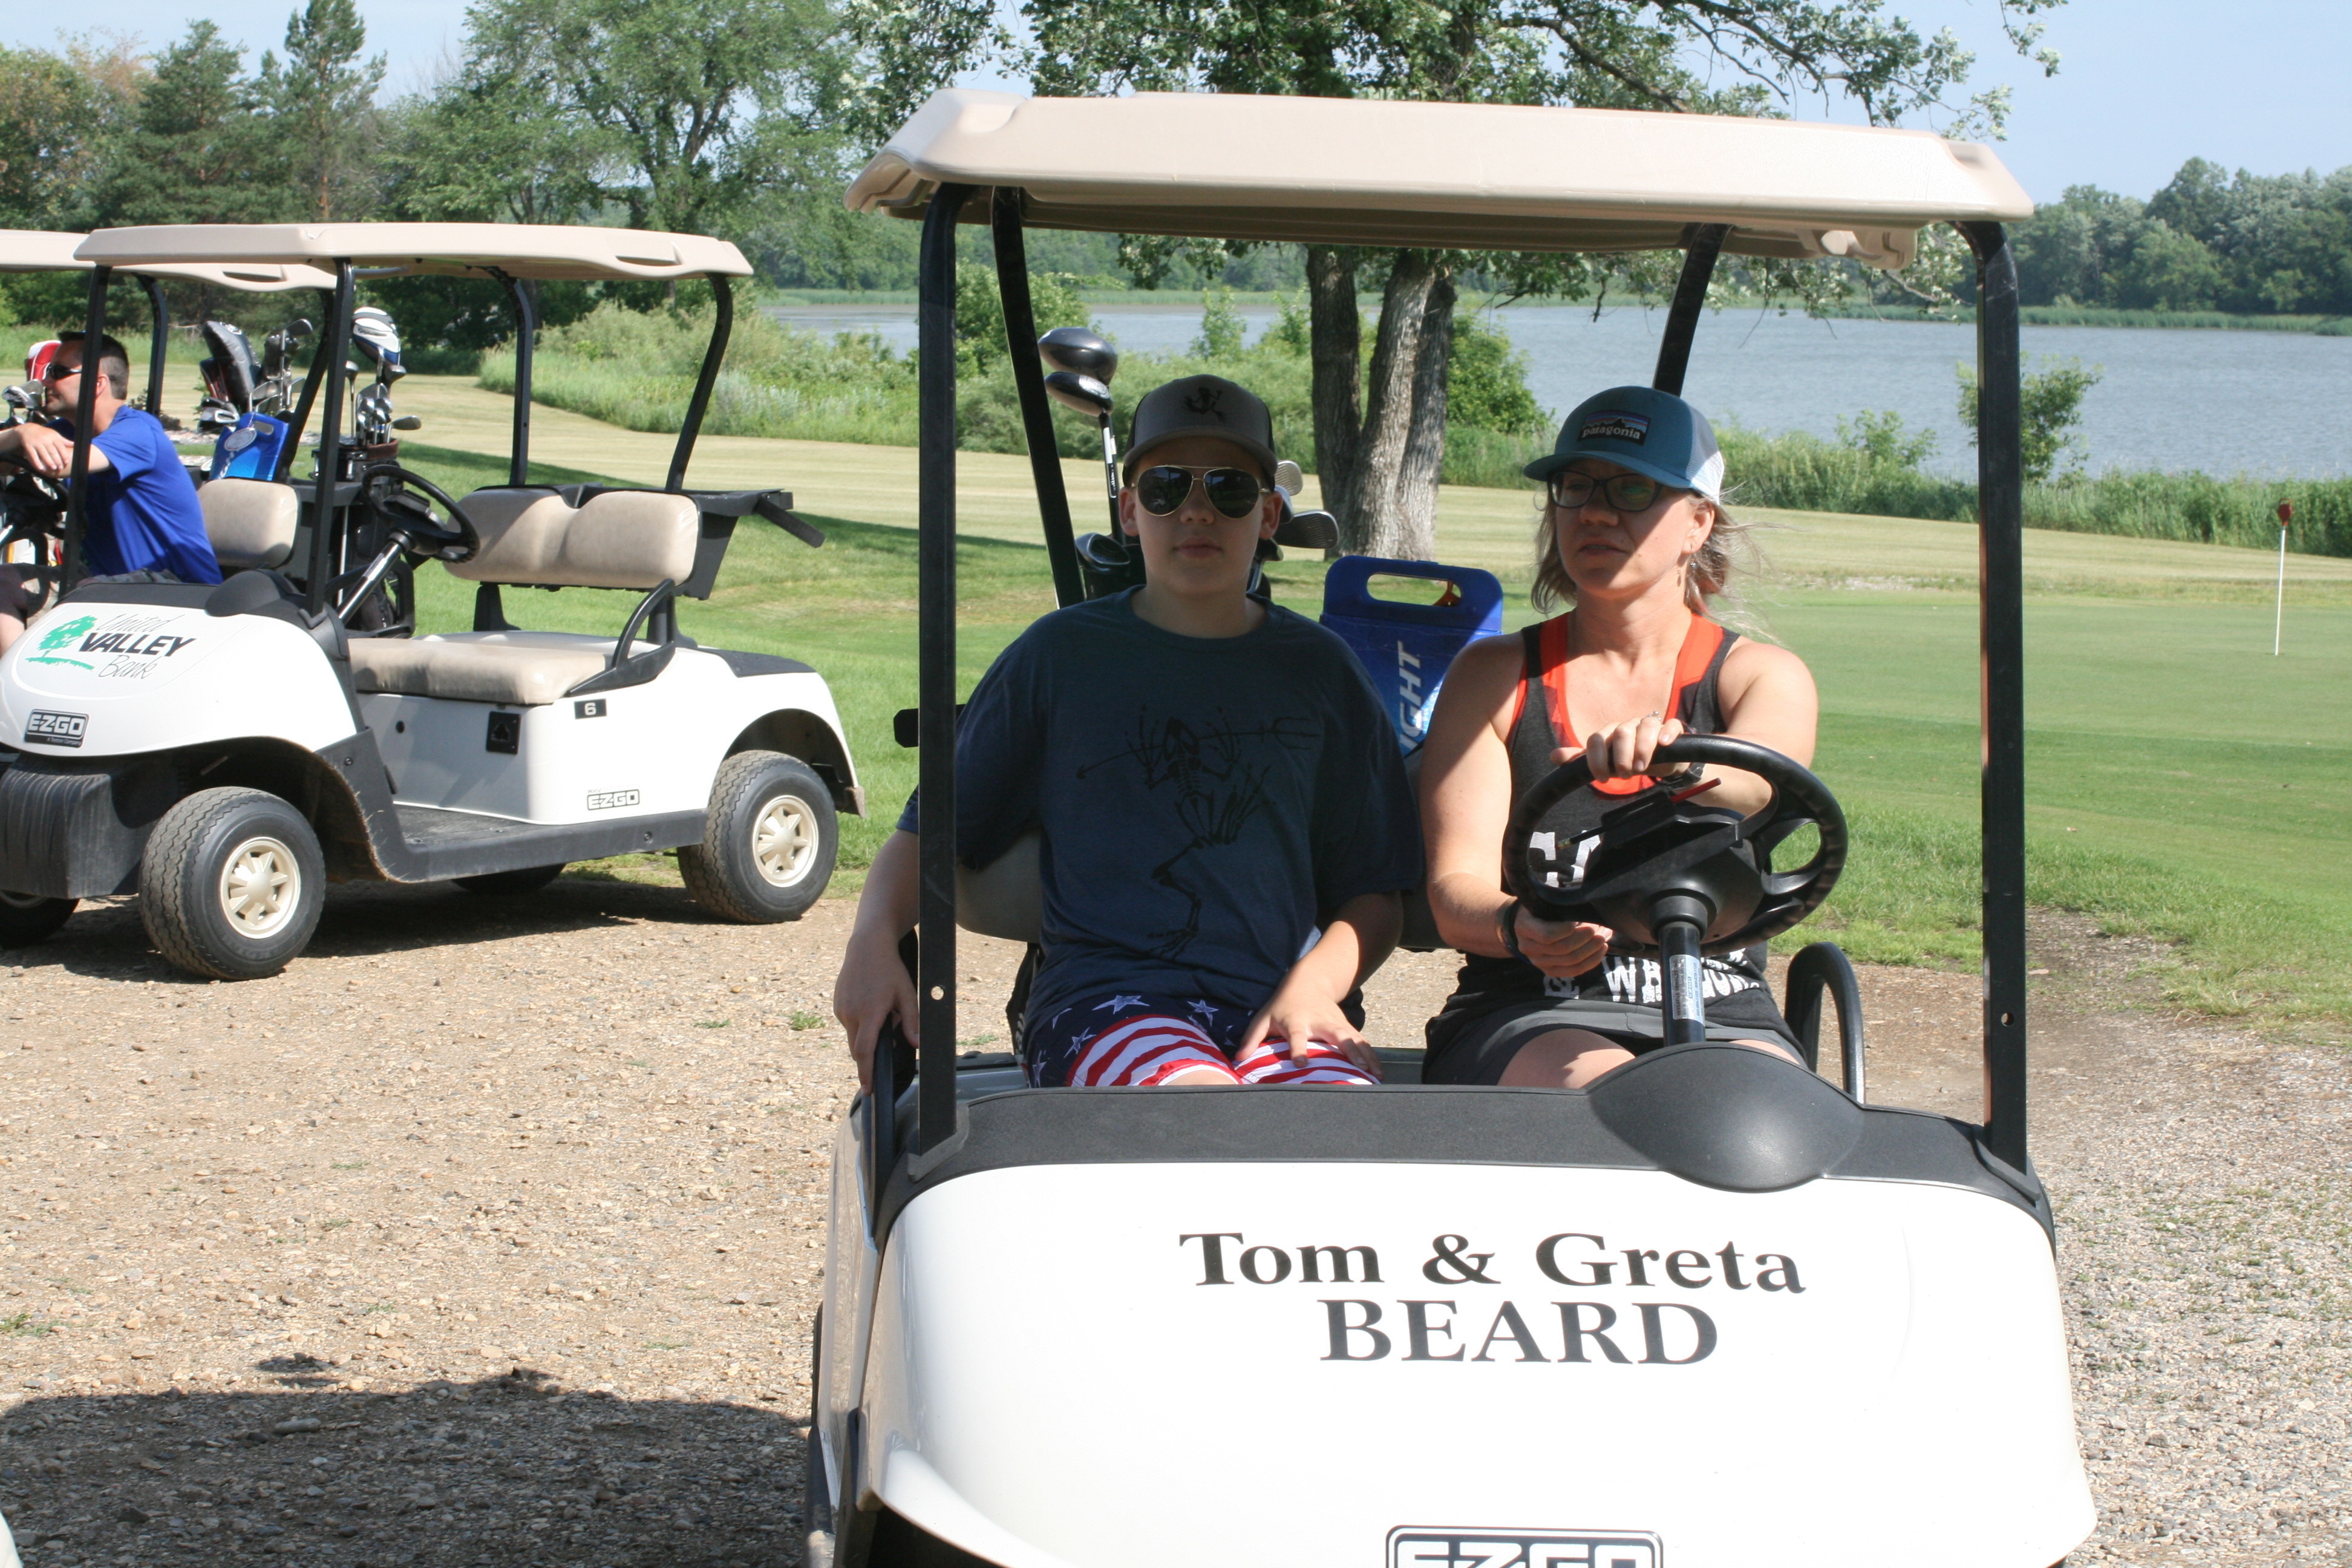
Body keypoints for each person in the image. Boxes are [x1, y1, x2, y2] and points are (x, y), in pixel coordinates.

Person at [831, 375, 1422, 1091]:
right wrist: (872, 943)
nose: (1197, 510)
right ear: (1130, 510)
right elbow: (932, 831)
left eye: (1230, 488)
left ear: (1269, 514)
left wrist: (1315, 987)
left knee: (1337, 1134)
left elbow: (1375, 891)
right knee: (1200, 1111)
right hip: (1106, 1003)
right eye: (1167, 487)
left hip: (1285, 1003)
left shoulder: (1323, 671)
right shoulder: (1058, 657)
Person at [1416, 385, 1820, 1087]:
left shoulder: (1761, 675)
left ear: (1697, 523)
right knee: (1608, 1097)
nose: (1596, 512)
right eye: (1576, 487)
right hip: (1534, 1006)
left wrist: (1678, 766)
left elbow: (1758, 783)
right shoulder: (1494, 676)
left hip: (1723, 1005)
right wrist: (1518, 927)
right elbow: (1455, 891)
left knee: (1748, 1107)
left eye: (1633, 490)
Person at [0, 330, 217, 652]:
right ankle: (12, 678)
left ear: (97, 383)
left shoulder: (138, 431)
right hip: (104, 580)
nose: (45, 382)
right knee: (4, 582)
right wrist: (21, 433)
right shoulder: (66, 431)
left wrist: (27, 434)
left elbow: (59, 464)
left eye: (57, 372)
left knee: (87, 595)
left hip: (178, 585)